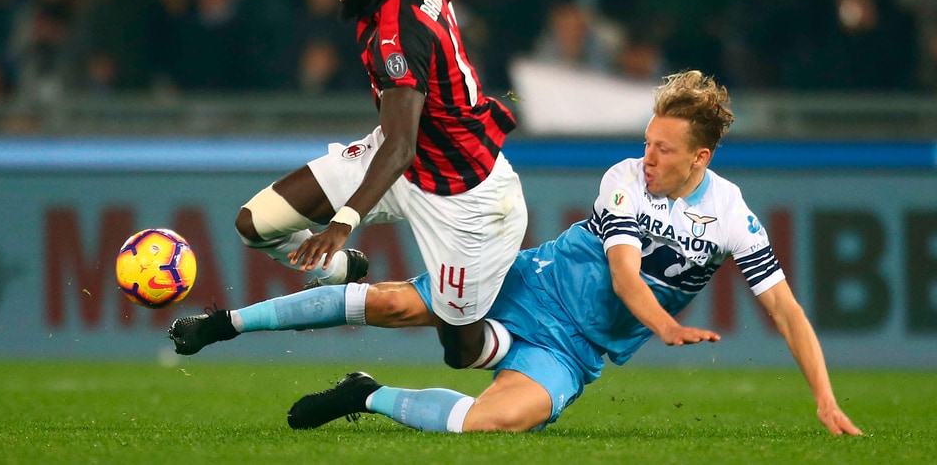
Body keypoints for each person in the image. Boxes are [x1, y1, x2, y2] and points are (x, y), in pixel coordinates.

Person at [169, 70, 861, 436]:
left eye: (663, 149)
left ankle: (366, 394)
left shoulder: (733, 216)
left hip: (576, 352)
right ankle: (224, 323)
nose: (647, 156)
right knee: (396, 305)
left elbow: (787, 313)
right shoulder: (625, 179)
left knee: (494, 422)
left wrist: (825, 401)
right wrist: (665, 326)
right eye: (647, 141)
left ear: (700, 158)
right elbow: (625, 275)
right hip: (525, 284)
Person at [185, 0, 528, 373]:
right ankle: (346, 272)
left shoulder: (398, 35)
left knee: (462, 352)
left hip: (463, 193)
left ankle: (536, 340)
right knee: (255, 224)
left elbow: (401, 144)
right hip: (404, 158)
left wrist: (344, 223)